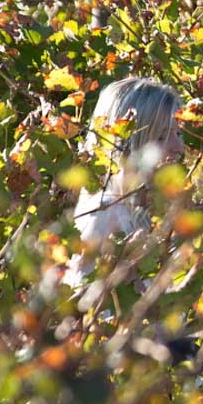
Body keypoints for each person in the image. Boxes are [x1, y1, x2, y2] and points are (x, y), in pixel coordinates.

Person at [68, 76, 187, 314]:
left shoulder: (150, 210)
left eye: (178, 133)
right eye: (162, 136)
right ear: (129, 144)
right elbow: (85, 317)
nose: (178, 147)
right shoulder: (104, 216)